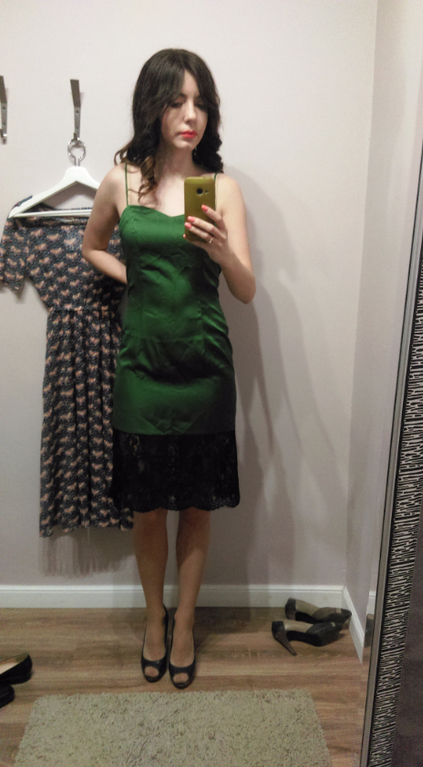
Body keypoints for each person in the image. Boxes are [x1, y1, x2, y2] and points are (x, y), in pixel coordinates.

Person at [82, 49, 255, 689]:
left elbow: (246, 290)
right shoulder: (120, 181)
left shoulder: (221, 189)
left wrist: (223, 252)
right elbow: (91, 246)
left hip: (205, 369)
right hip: (142, 370)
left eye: (201, 103)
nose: (191, 115)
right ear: (152, 106)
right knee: (149, 509)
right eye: (178, 101)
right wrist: (138, 278)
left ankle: (184, 624)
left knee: (197, 508)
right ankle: (153, 618)